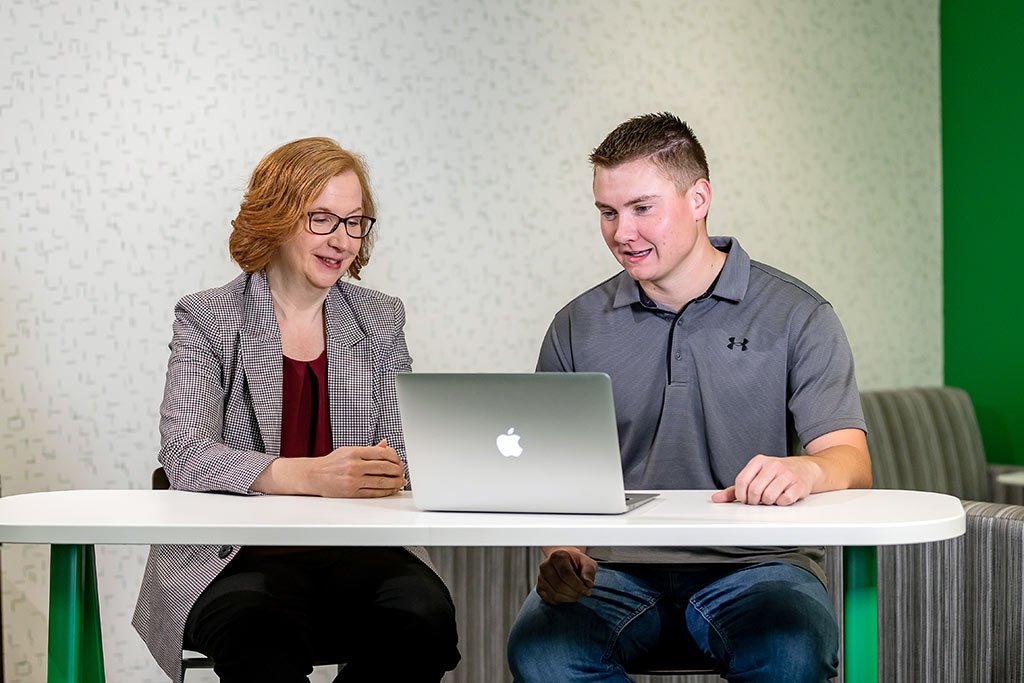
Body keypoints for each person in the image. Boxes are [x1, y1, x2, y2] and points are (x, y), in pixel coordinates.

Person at [506, 113, 871, 683]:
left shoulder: (799, 314)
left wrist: (807, 470)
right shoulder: (574, 326)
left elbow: (852, 459)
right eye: (607, 212)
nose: (621, 232)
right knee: (541, 651)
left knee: (792, 651)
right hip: (615, 570)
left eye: (642, 208)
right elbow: (551, 474)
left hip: (760, 565)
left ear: (699, 197)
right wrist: (561, 554)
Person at [132, 138, 460, 683]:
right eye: (323, 219)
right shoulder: (207, 317)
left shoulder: (379, 318)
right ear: (277, 218)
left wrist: (392, 465)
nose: (343, 240)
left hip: (361, 550)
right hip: (235, 558)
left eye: (356, 222)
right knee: (258, 634)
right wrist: (313, 474)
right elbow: (187, 457)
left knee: (424, 620)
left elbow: (404, 449)